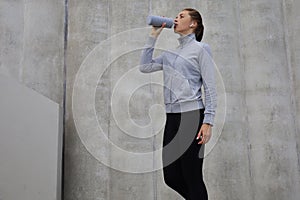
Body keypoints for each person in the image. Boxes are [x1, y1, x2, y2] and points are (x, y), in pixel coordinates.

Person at [140, 8, 217, 200]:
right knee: (172, 177)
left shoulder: (200, 49)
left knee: (192, 176)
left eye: (181, 16)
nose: (176, 18)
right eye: (176, 16)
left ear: (193, 24)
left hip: (192, 116)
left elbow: (210, 87)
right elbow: (145, 66)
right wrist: (153, 36)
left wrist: (208, 121)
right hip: (172, 117)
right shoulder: (170, 55)